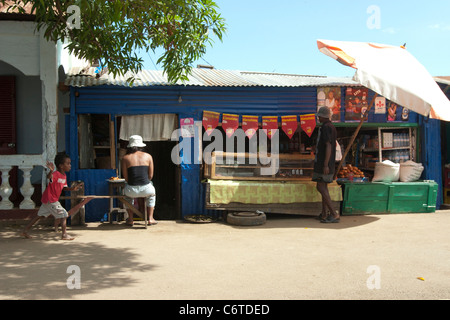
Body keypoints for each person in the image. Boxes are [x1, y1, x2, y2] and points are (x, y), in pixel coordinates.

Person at [21, 154, 93, 240]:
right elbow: (49, 177)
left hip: (48, 200)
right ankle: (64, 235)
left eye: (70, 163)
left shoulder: (64, 176)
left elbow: (64, 188)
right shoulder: (55, 174)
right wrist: (51, 171)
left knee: (39, 216)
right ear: (61, 166)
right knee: (64, 214)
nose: (70, 165)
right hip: (51, 199)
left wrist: (73, 188)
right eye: (68, 163)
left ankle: (25, 231)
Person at [121, 135, 157, 226]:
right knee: (151, 195)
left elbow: (126, 177)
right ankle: (150, 218)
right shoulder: (148, 157)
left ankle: (130, 219)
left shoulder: (125, 158)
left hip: (131, 190)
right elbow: (150, 176)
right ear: (141, 146)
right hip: (146, 189)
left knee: (127, 197)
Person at [313, 107, 339, 223]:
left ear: (324, 116)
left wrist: (325, 165)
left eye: (319, 116)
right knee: (323, 187)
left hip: (324, 163)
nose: (318, 118)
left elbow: (328, 145)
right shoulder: (330, 126)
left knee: (320, 187)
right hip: (326, 162)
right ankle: (324, 213)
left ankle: (334, 214)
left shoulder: (326, 127)